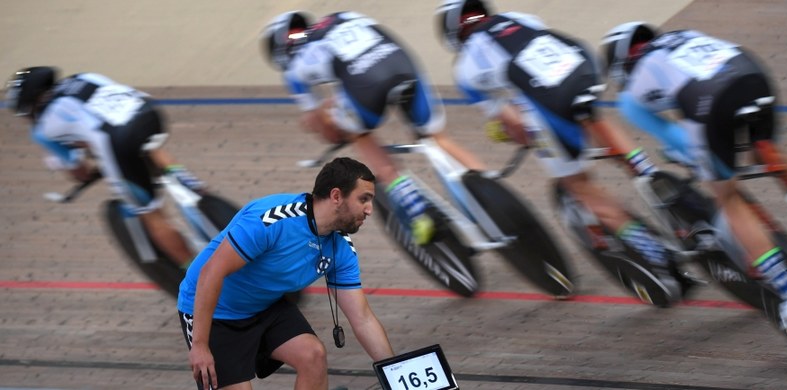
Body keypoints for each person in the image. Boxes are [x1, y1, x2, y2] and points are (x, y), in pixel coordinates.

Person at [434, 0, 685, 301]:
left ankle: (660, 255)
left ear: (451, 34)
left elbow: (515, 123)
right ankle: (644, 169)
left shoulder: (464, 70)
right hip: (582, 69)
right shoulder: (517, 17)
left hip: (552, 101)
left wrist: (525, 136)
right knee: (592, 116)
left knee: (580, 186)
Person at [599, 23, 787, 328]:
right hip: (752, 77)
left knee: (728, 197)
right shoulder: (683, 36)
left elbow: (677, 138)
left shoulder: (631, 96)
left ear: (620, 68)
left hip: (712, 103)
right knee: (770, 156)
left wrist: (686, 157)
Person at [260, 10, 486, 246]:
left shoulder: (293, 70)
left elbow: (326, 129)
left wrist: (332, 128)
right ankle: (490, 192)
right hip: (403, 64)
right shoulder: (341, 17)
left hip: (366, 85)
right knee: (437, 138)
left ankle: (418, 211)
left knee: (361, 136)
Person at [177, 157, 394, 390]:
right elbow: (210, 272)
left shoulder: (341, 247)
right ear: (336, 196)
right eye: (364, 199)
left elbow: (362, 318)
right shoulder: (271, 220)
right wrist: (199, 345)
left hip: (264, 304)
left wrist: (396, 372)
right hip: (215, 311)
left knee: (313, 355)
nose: (370, 210)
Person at [5, 67, 206, 268]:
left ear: (30, 105)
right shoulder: (84, 77)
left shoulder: (43, 130)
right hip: (149, 114)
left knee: (150, 214)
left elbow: (80, 171)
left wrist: (86, 170)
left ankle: (196, 274)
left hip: (118, 141)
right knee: (145, 145)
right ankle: (186, 180)